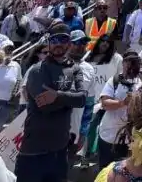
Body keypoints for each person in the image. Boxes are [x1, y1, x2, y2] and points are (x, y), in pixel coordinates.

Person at [16, 28, 87, 182]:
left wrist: (57, 95)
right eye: (54, 40)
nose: (58, 44)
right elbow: (45, 107)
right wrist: (70, 99)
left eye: (63, 39)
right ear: (48, 44)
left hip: (60, 148)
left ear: (68, 43)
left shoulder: (75, 69)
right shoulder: (37, 70)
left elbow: (82, 99)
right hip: (34, 149)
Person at [98, 51, 142, 168]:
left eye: (135, 62)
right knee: (106, 170)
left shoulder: (140, 84)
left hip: (129, 138)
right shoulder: (114, 81)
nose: (132, 66)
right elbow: (105, 103)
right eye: (129, 62)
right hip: (109, 135)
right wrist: (123, 103)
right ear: (123, 64)